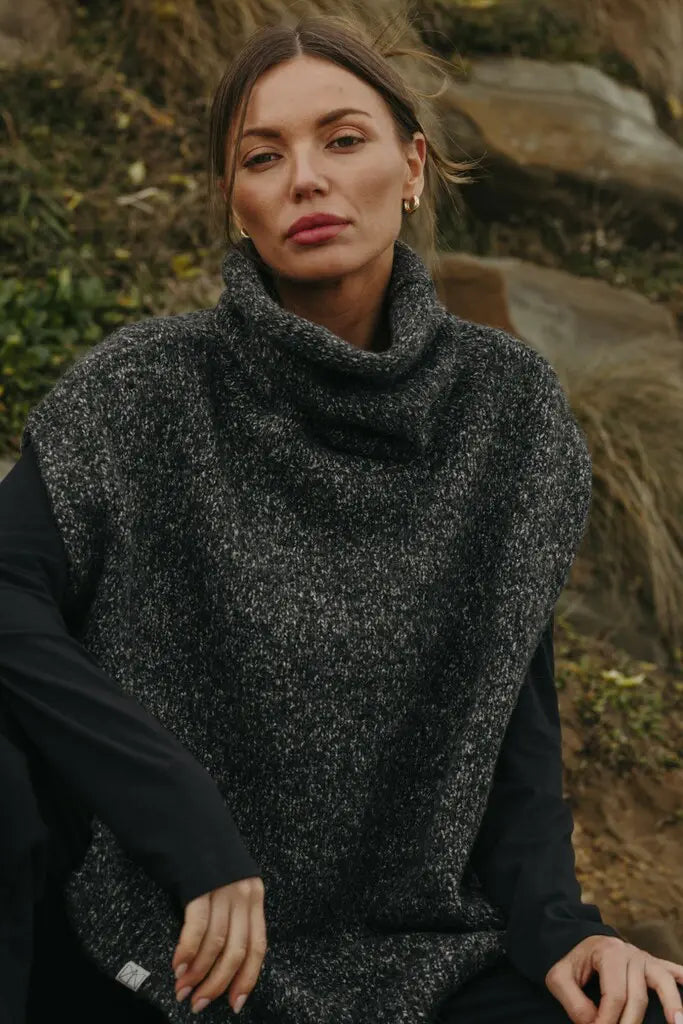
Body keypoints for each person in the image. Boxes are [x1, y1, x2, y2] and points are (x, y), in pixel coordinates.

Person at [1, 12, 682, 1024]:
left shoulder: (507, 411)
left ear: (410, 166)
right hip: (166, 938)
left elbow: (511, 711)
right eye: (261, 156)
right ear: (237, 203)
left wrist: (560, 922)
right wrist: (183, 822)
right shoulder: (142, 392)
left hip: (413, 950)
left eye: (342, 138)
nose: (304, 179)